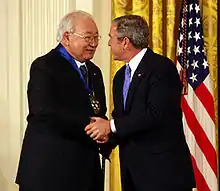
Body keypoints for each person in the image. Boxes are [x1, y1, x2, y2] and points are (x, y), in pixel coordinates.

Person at [85, 15, 196, 191]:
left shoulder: (161, 68)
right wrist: (107, 137)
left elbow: (155, 114)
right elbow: (123, 118)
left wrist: (110, 126)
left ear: (125, 42)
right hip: (132, 173)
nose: (108, 44)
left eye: (111, 38)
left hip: (163, 174)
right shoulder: (120, 76)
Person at [16, 10, 109, 191]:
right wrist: (91, 125)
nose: (94, 44)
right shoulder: (44, 66)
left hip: (85, 170)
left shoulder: (95, 71)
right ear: (67, 37)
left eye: (97, 38)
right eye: (88, 37)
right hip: (50, 169)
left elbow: (98, 111)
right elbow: (44, 110)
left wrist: (106, 132)